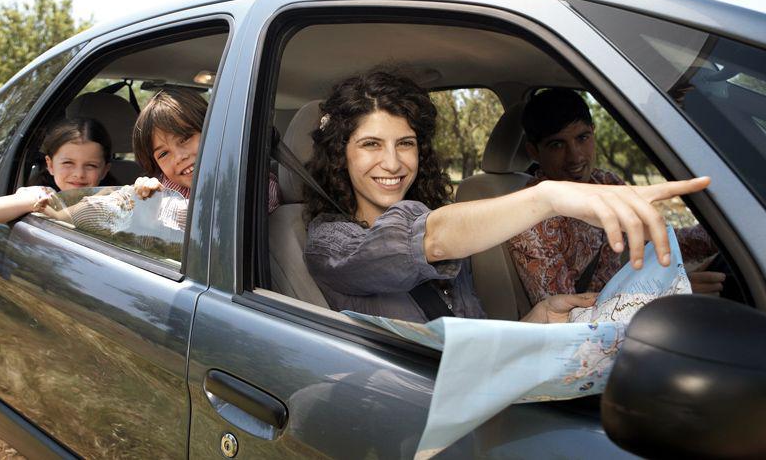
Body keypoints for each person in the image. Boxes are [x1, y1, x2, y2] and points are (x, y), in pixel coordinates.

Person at [302, 71, 711, 324]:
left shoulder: (444, 230)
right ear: (341, 154)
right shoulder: (330, 243)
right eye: (371, 144)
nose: (392, 163)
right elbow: (429, 238)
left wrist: (535, 321)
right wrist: (548, 197)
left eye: (405, 143)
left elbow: (471, 339)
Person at [507, 88, 722, 306]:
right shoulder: (531, 218)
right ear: (534, 152)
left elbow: (656, 241)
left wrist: (722, 234)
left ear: (593, 131)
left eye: (582, 138)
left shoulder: (605, 183)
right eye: (557, 144)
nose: (575, 156)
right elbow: (566, 317)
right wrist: (668, 294)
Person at [130, 86, 281, 215]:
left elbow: (222, 212)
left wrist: (157, 208)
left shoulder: (251, 176)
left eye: (185, 138)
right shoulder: (166, 185)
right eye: (163, 154)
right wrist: (145, 196)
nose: (179, 157)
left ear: (211, 130)